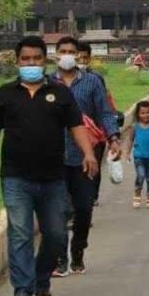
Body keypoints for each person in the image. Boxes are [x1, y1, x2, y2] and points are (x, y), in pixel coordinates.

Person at [0, 36, 98, 296]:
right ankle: (22, 291)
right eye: (26, 59)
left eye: (36, 59)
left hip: (52, 178)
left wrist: (89, 153)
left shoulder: (59, 93)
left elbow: (76, 126)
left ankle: (41, 280)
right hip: (15, 177)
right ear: (17, 61)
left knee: (57, 234)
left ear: (45, 61)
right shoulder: (5, 94)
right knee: (21, 232)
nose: (31, 64)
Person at [52, 37, 119, 276]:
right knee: (57, 210)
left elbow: (105, 112)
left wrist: (113, 137)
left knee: (83, 208)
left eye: (72, 51)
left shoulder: (92, 82)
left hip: (85, 157)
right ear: (56, 54)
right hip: (54, 157)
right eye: (63, 51)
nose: (68, 55)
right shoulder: (47, 83)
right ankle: (59, 258)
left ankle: (78, 249)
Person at [77, 41, 121, 205]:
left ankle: (91, 197)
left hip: (95, 132)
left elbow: (104, 107)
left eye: (84, 57)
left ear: (89, 59)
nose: (80, 60)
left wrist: (112, 136)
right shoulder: (57, 80)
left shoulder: (96, 79)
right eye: (78, 57)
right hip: (71, 133)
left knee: (93, 165)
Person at [126, 100, 149, 208]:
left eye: (148, 112)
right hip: (138, 156)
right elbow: (130, 140)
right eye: (142, 113)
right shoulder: (135, 126)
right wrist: (127, 153)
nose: (145, 115)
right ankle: (137, 194)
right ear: (138, 114)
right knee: (141, 175)